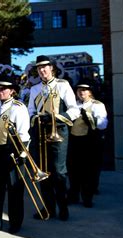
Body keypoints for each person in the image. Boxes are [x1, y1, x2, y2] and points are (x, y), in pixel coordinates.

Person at [27, 55, 80, 221]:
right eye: (39, 68)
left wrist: (55, 118)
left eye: (45, 67)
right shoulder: (35, 89)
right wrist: (37, 118)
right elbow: (30, 111)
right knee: (44, 171)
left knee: (58, 171)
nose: (42, 70)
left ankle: (63, 207)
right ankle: (48, 208)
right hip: (41, 133)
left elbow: (74, 110)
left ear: (51, 68)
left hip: (59, 133)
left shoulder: (62, 85)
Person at [0, 76, 30, 234]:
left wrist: (19, 154)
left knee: (14, 189)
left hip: (11, 152)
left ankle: (15, 222)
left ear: (12, 91)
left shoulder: (18, 107)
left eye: (3, 89)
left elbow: (23, 134)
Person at [67, 82, 108, 208]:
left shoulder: (97, 105)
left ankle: (87, 198)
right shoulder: (74, 105)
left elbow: (103, 123)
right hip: (74, 141)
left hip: (89, 141)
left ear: (90, 92)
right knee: (73, 169)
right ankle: (73, 196)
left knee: (88, 171)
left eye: (85, 90)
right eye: (79, 90)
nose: (81, 92)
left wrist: (91, 119)